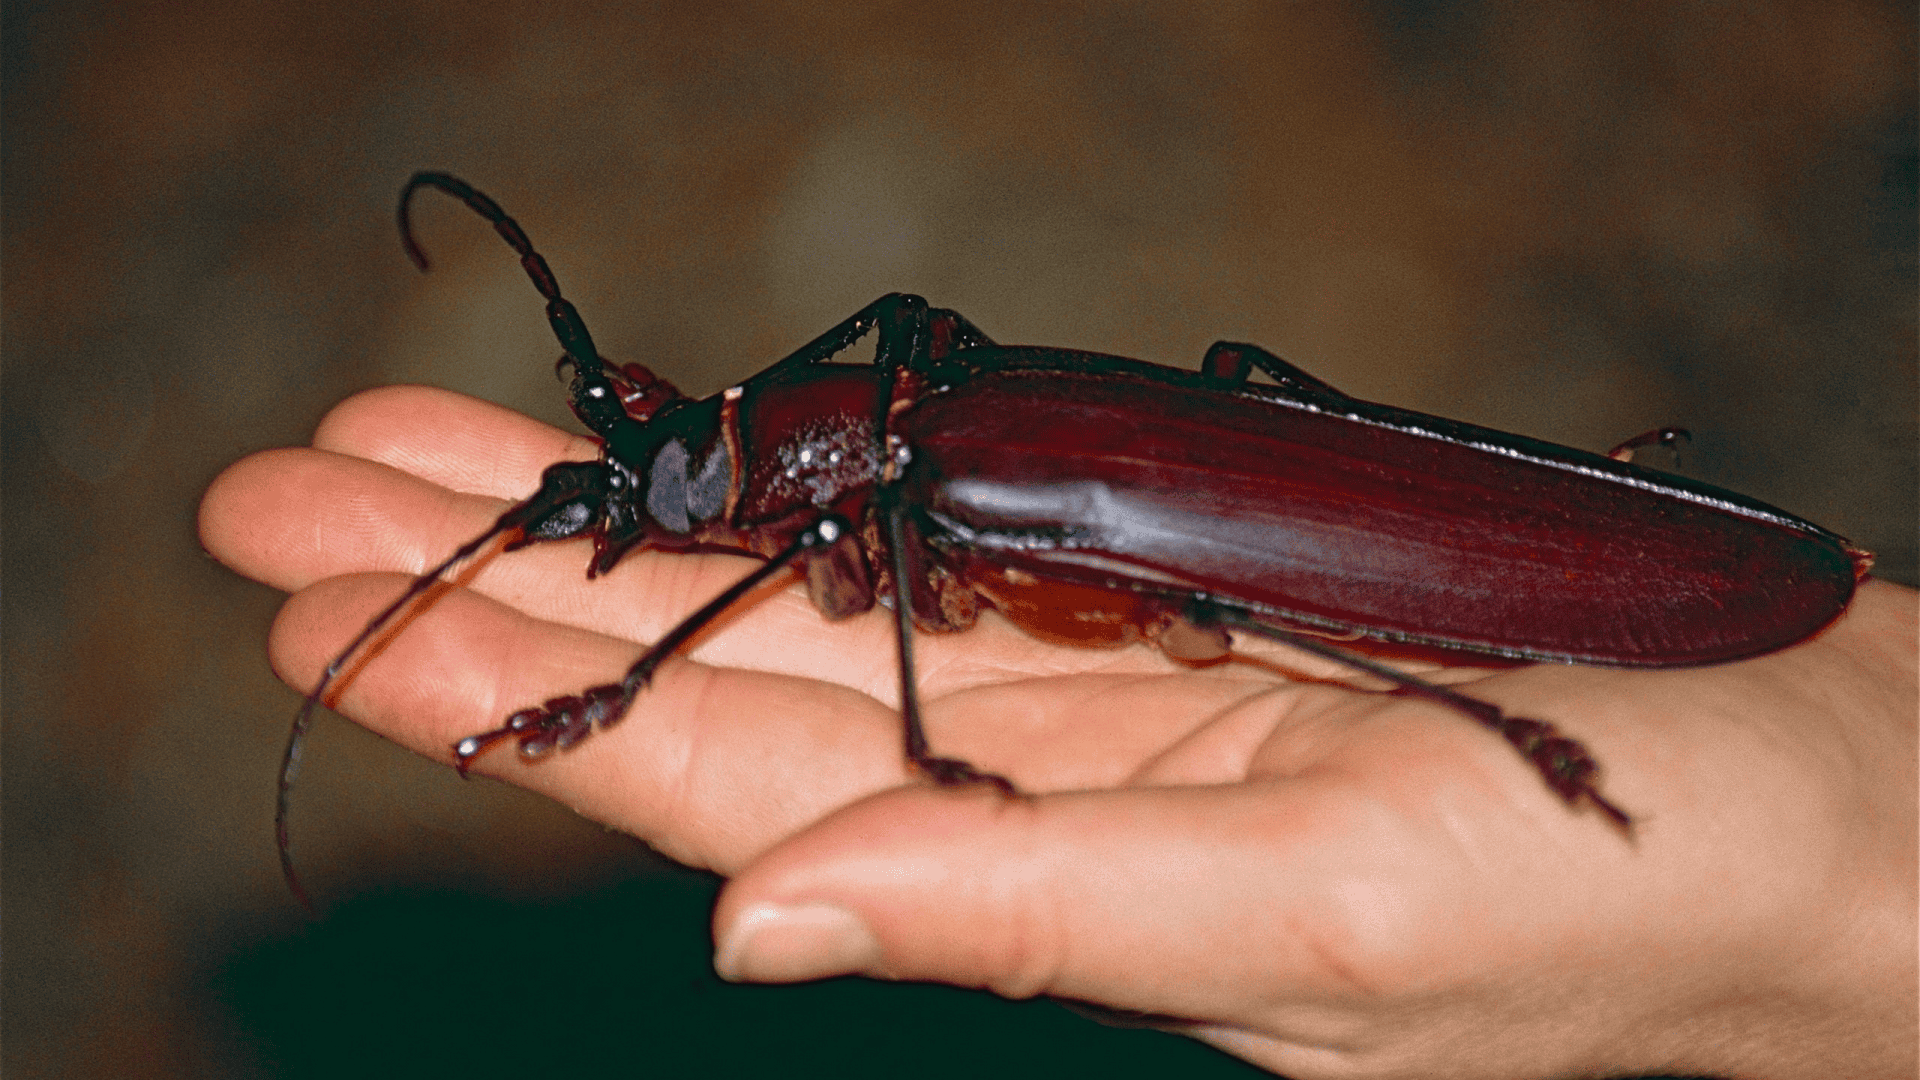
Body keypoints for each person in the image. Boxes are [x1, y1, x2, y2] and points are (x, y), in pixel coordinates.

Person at [199, 384, 1916, 1080]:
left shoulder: (909, 478)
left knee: (1230, 600)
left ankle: (1576, 536)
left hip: (1326, 536)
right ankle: (1596, 509)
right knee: (1239, 482)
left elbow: (814, 533)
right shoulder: (908, 433)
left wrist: (623, 688)